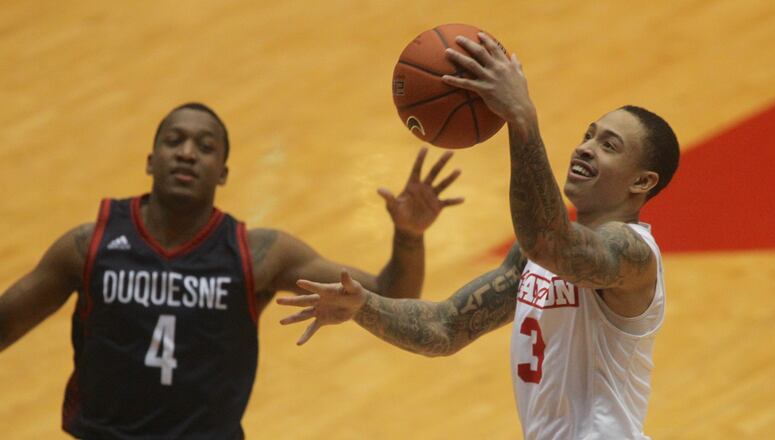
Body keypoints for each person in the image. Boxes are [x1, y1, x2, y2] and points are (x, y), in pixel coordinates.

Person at [278, 33, 680, 439]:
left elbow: (550, 241)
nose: (585, 148)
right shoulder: (531, 258)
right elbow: (446, 326)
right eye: (588, 135)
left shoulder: (634, 255)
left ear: (642, 182)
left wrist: (520, 117)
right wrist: (363, 305)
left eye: (608, 145)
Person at [0, 102, 465, 439]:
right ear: (150, 160)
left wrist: (408, 236)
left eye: (205, 147)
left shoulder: (260, 253)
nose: (187, 153)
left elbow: (391, 296)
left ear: (223, 172)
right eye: (173, 141)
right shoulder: (90, 244)